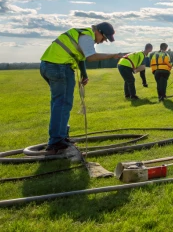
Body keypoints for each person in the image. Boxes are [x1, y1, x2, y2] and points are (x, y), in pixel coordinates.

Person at [39, 22, 125, 155]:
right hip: (59, 67)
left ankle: (61, 138)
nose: (102, 41)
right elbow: (91, 57)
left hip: (49, 66)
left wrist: (84, 74)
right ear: (99, 31)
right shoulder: (87, 36)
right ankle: (55, 142)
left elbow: (81, 58)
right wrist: (113, 55)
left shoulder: (81, 34)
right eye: (104, 38)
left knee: (61, 104)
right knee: (62, 104)